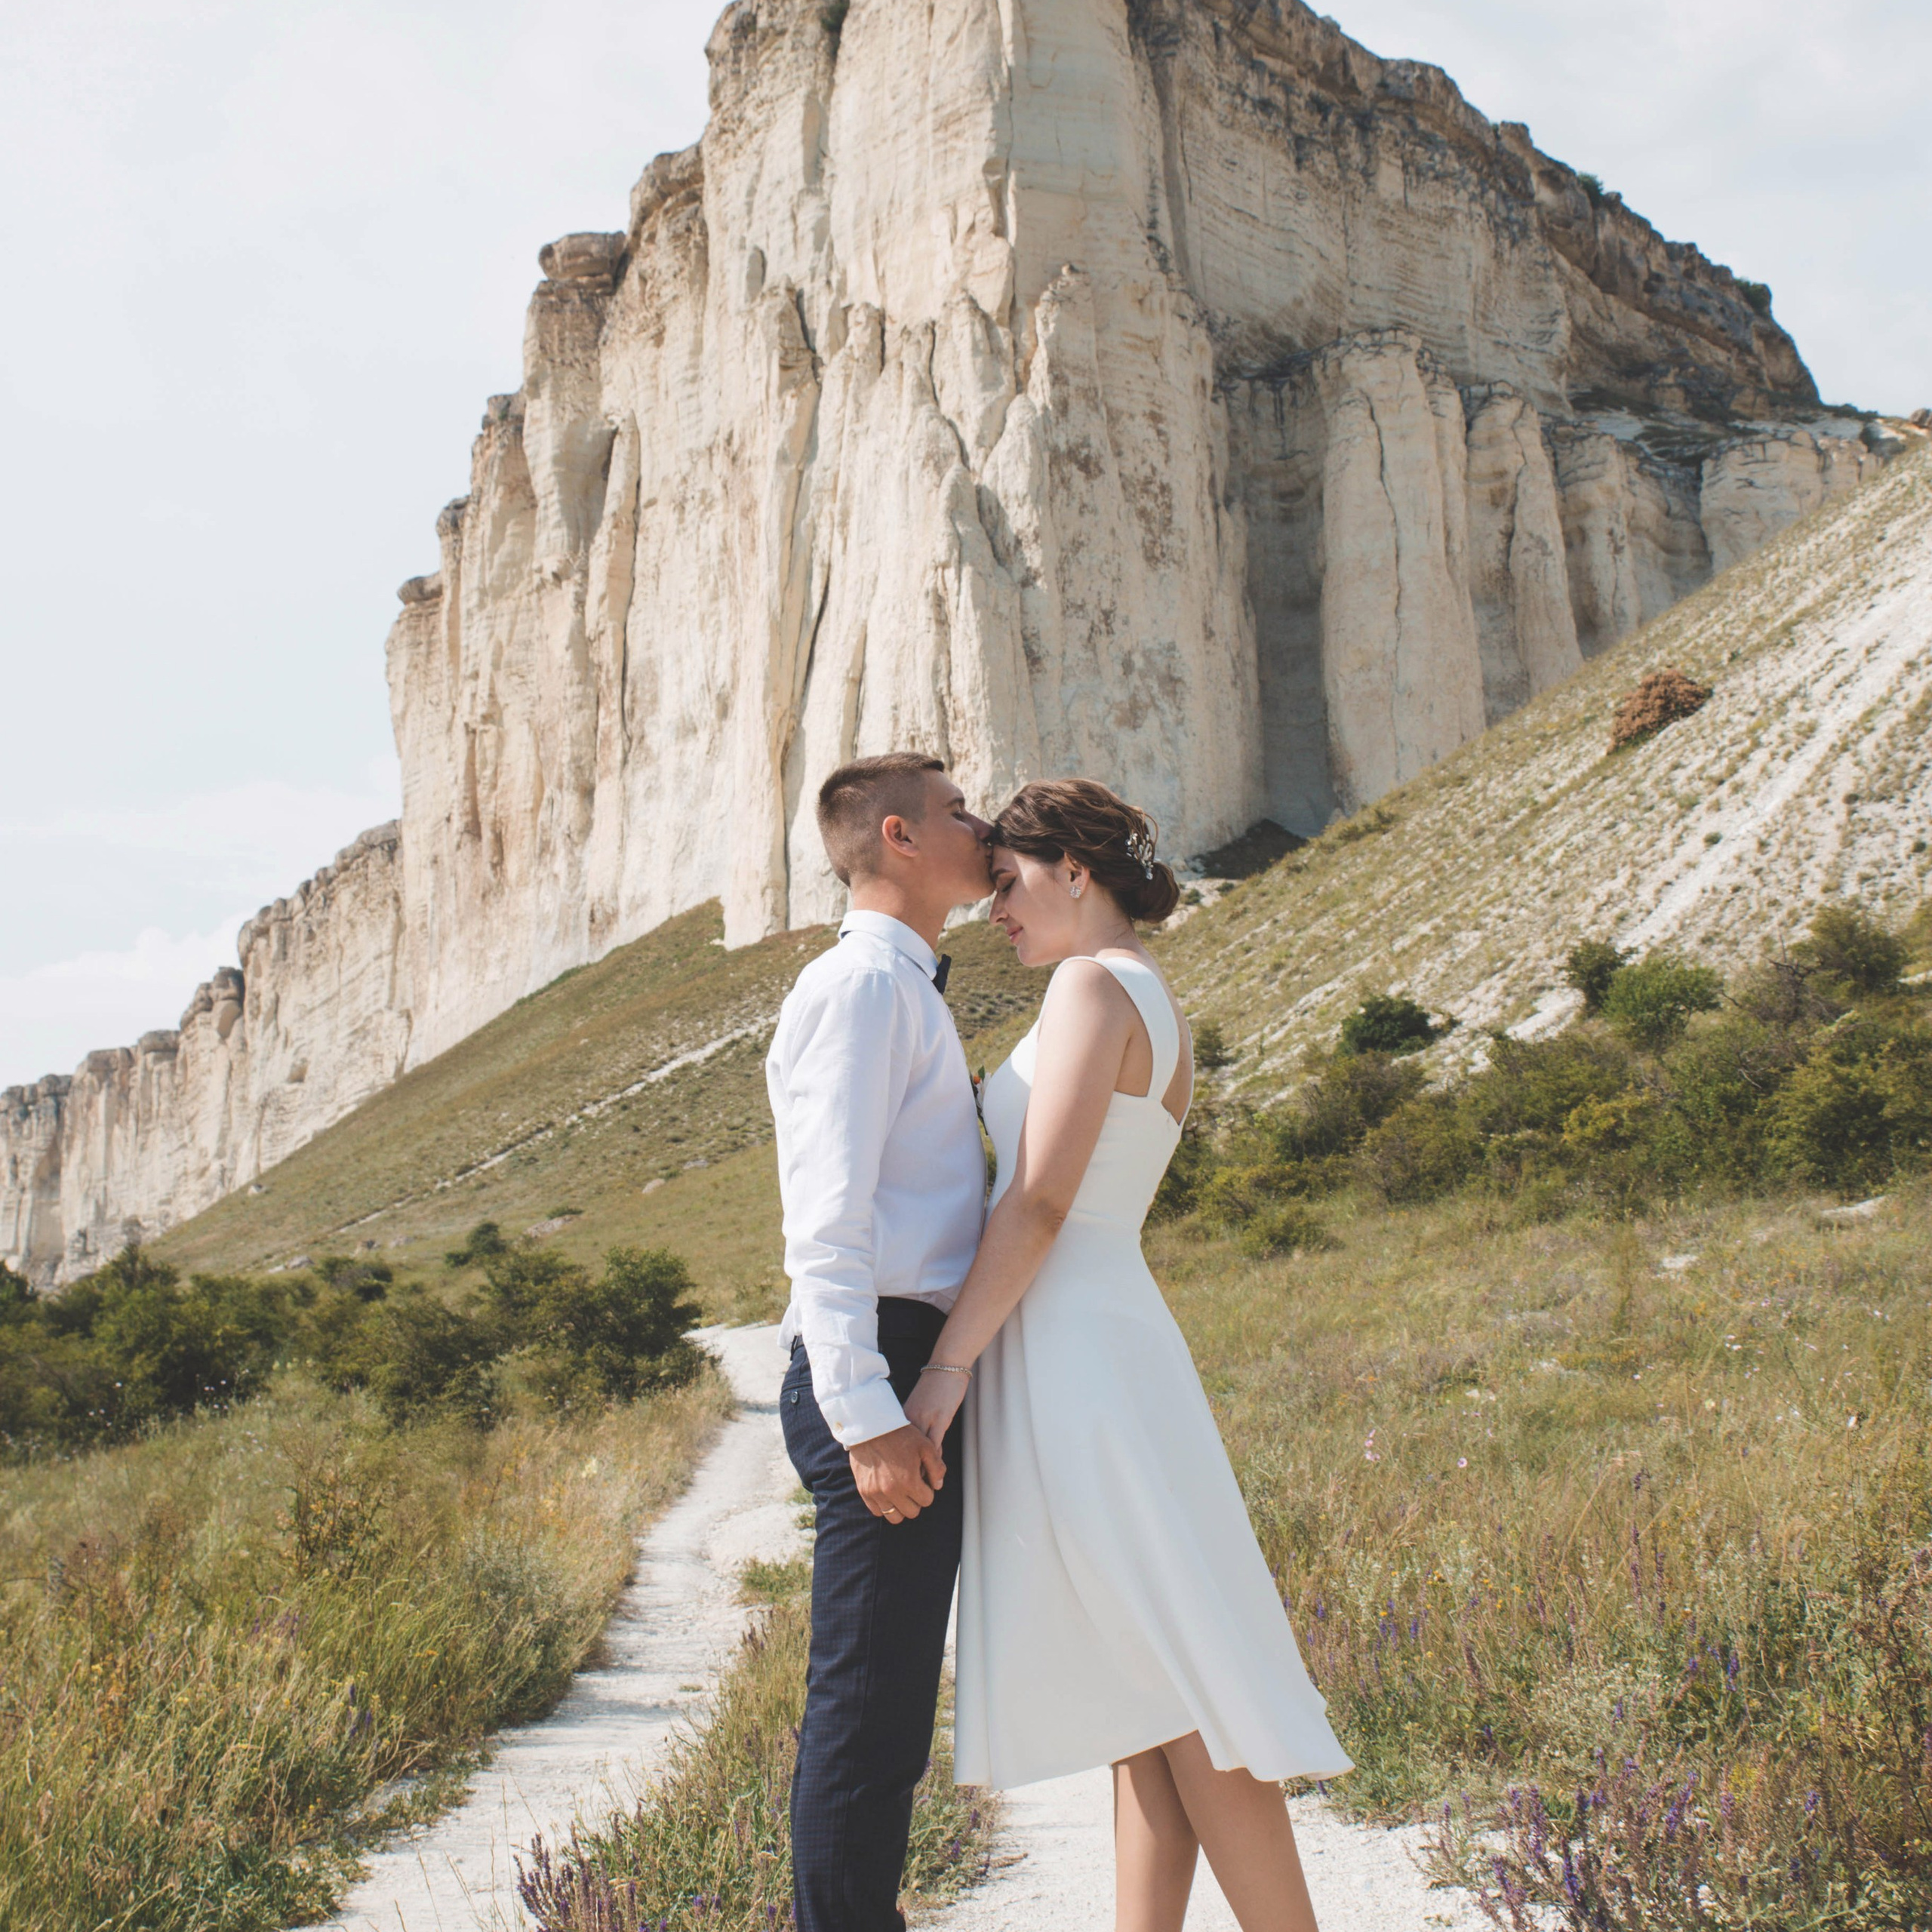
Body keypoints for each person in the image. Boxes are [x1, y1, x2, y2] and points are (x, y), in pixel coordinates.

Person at [904, 778, 1352, 1932]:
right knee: (1143, 1692)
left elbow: (1042, 1199)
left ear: (1076, 871)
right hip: (1105, 1335)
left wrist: (948, 1369)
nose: (996, 912)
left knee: (1182, 1685)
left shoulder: (1093, 985)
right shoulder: (1151, 997)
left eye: (1008, 884)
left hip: (1074, 1356)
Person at [766, 751, 994, 1932]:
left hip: (905, 1364)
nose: (984, 826)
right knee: (867, 1704)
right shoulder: (863, 989)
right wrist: (867, 1418)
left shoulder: (905, 988)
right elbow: (829, 1221)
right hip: (879, 1370)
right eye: (962, 812)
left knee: (891, 1703)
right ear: (899, 838)